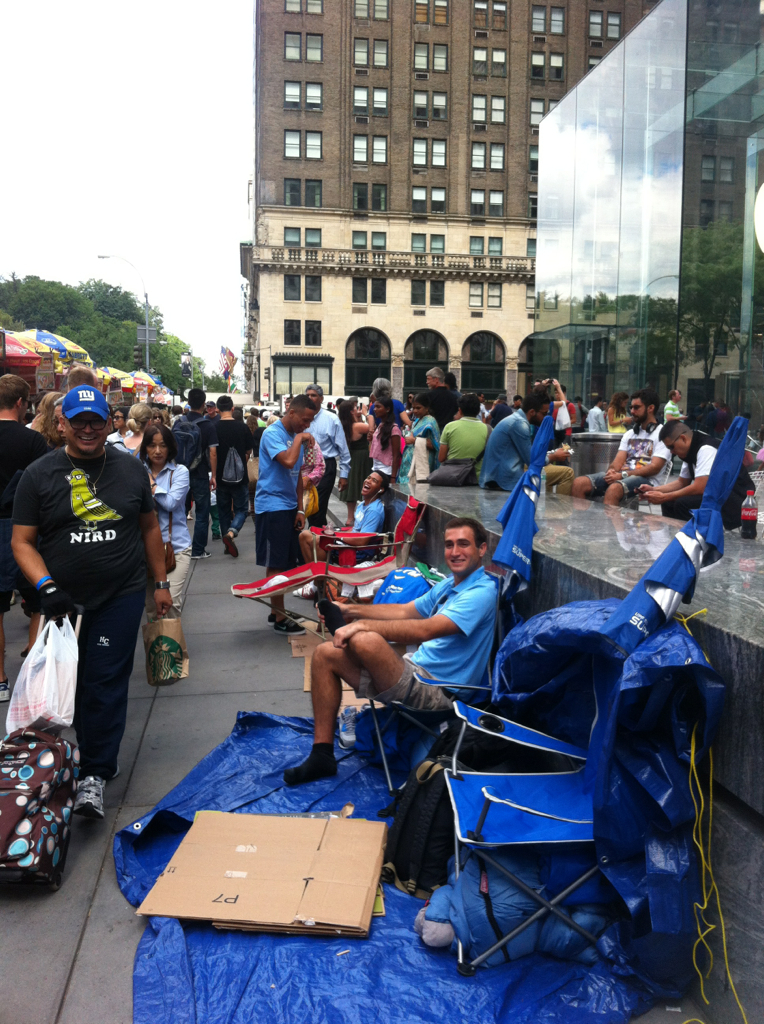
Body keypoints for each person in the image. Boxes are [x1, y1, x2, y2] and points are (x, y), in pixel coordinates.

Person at [12, 386, 171, 818]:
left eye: (95, 421)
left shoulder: (130, 471)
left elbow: (150, 528)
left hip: (119, 595)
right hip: (61, 601)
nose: (86, 428)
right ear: (61, 422)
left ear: (109, 423)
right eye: (78, 420)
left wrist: (160, 582)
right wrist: (45, 587)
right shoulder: (39, 474)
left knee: (104, 680)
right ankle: (80, 751)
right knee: (69, 683)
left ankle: (94, 773)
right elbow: (22, 541)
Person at [283, 517, 497, 784]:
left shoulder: (482, 591)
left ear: (482, 549)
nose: (455, 552)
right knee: (325, 654)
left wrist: (359, 626)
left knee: (366, 641)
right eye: (449, 545)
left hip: (442, 694)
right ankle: (322, 755)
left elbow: (425, 630)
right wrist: (350, 609)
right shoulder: (449, 585)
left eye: (463, 544)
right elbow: (405, 610)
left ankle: (351, 638)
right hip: (415, 674)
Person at [0, 375, 48, 699]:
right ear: (21, 403)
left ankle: (0, 679)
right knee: (40, 602)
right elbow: (46, 486)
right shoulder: (32, 441)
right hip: (27, 529)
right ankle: (32, 678)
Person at [255, 393, 316, 634]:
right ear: (290, 412)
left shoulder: (293, 437)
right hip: (272, 507)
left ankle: (276, 611)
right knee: (276, 563)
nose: (307, 425)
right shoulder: (273, 434)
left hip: (289, 506)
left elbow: (298, 475)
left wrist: (300, 508)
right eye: (304, 420)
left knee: (287, 562)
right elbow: (289, 462)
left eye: (310, 421)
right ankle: (280, 618)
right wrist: (300, 438)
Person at [640, 420, 754, 530]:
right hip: (718, 495)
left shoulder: (705, 449)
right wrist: (655, 490)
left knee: (682, 504)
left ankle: (695, 541)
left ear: (683, 439)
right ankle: (675, 540)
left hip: (736, 500)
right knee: (669, 503)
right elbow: (681, 482)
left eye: (671, 447)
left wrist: (665, 496)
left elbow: (700, 487)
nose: (671, 452)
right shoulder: (689, 450)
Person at [572, 389, 671, 506]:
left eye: (636, 407)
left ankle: (608, 524)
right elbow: (617, 462)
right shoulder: (629, 434)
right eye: (631, 407)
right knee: (579, 483)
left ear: (650, 408)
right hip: (622, 477)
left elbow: (655, 467)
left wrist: (623, 475)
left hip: (647, 481)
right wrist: (611, 472)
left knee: (614, 489)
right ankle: (582, 523)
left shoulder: (663, 434)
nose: (632, 411)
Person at [140, 424, 192, 617]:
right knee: (152, 609)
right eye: (152, 446)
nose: (158, 451)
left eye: (163, 445)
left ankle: (171, 647)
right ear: (145, 447)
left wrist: (151, 484)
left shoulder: (179, 472)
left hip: (175, 548)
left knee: (171, 603)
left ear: (170, 447)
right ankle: (158, 647)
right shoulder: (137, 470)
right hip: (146, 551)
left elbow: (170, 503)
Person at [480, 393, 573, 494]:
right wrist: (554, 457)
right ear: (532, 412)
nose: (546, 417)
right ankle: (561, 509)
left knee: (545, 474)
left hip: (496, 477)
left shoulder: (516, 419)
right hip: (504, 481)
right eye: (544, 413)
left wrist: (551, 455)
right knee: (568, 473)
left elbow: (529, 454)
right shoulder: (520, 424)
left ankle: (545, 507)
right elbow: (532, 461)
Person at [298, 470, 388, 567]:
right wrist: (337, 534)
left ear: (381, 489)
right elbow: (355, 529)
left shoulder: (374, 510)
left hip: (359, 551)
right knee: (304, 535)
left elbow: (363, 541)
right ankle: (313, 574)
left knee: (319, 541)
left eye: (374, 480)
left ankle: (319, 579)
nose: (368, 481)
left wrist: (336, 537)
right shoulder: (362, 504)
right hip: (349, 541)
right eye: (368, 478)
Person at [304, 384, 350, 528]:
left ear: (321, 398)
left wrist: (344, 474)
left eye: (313, 395)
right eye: (307, 395)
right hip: (305, 468)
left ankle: (315, 542)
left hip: (325, 467)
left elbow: (343, 448)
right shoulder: (302, 418)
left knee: (318, 506)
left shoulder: (331, 419)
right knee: (309, 507)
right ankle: (319, 540)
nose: (310, 398)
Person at [214, 395, 253, 557]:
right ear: (232, 408)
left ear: (217, 409)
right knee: (242, 509)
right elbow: (248, 451)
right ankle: (231, 533)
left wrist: (214, 475)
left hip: (221, 477)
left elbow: (212, 453)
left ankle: (226, 541)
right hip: (240, 477)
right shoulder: (242, 427)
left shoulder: (214, 427)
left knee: (223, 511)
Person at [184, 389, 219, 560]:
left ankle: (179, 548)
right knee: (202, 512)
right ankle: (198, 550)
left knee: (179, 512)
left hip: (180, 473)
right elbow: (213, 452)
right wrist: (213, 475)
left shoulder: (179, 422)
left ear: (188, 402)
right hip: (200, 472)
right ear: (204, 405)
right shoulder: (207, 426)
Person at [338, 399, 372, 526]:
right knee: (364, 484)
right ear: (351, 412)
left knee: (352, 485)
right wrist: (366, 413)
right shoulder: (357, 426)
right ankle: (360, 517)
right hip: (361, 457)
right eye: (355, 408)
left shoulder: (346, 425)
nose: (358, 410)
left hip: (352, 456)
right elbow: (372, 427)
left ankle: (350, 518)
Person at [438, 393, 490, 474]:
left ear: (460, 410)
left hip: (453, 476)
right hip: (479, 479)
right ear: (479, 411)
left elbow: (441, 458)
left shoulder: (449, 427)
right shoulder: (489, 430)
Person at [397, 391, 441, 482]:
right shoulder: (417, 420)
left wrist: (414, 440)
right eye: (413, 408)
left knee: (419, 491)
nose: (415, 411)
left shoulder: (430, 422)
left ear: (427, 408)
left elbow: (435, 445)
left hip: (422, 462)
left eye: (418, 408)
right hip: (410, 462)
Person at [369, 396, 402, 479]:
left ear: (387, 409)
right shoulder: (380, 426)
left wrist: (393, 477)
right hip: (376, 468)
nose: (375, 409)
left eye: (378, 407)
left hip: (387, 471)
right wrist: (370, 440)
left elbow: (396, 455)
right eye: (374, 406)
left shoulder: (394, 429)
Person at [425, 367, 459, 431]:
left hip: (433, 430)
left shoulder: (429, 396)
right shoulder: (454, 397)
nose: (427, 382)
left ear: (436, 379)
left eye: (428, 379)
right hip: (450, 430)